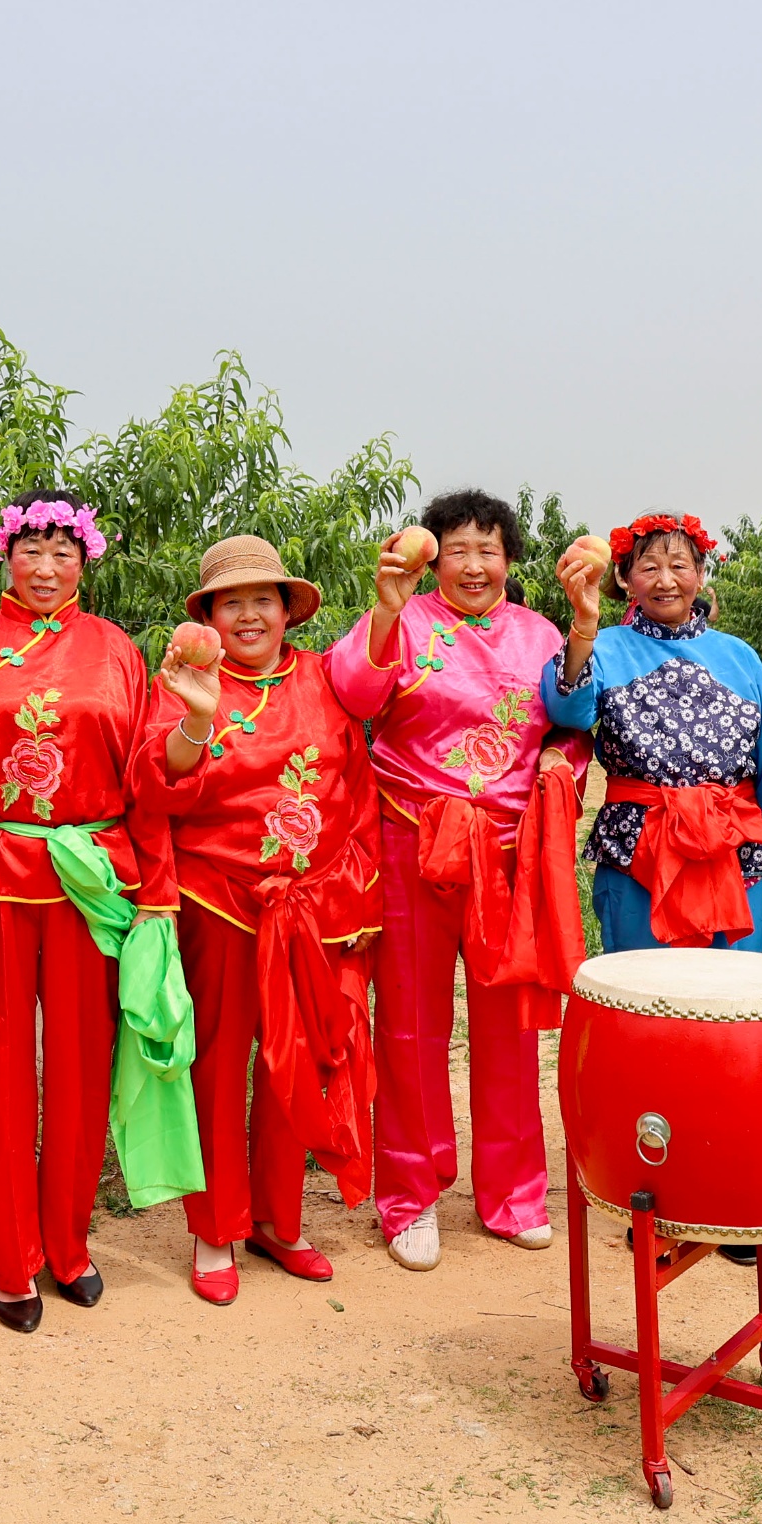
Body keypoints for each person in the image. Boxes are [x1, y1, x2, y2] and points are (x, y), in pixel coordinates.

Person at [0, 497, 182, 1328]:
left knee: (81, 1069)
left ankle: (68, 1244)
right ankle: (10, 1260)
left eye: (61, 552)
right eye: (30, 549)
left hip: (91, 879)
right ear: (6, 555)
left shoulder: (117, 650)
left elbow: (148, 776)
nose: (45, 567)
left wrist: (154, 885)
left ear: (86, 562)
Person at [325, 490, 580, 1271]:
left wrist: (560, 758)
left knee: (508, 1025)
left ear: (509, 558)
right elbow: (351, 694)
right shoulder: (401, 619)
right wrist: (382, 608)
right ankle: (409, 1197)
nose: (474, 563)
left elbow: (573, 718)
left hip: (504, 851)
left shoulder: (539, 632)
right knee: (409, 1026)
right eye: (458, 548)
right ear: (433, 554)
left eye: (489, 548)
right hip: (410, 839)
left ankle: (512, 1194)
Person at [142, 535, 386, 1303]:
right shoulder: (184, 679)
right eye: (230, 602)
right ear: (209, 616)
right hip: (221, 896)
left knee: (299, 1060)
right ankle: (215, 1226)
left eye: (262, 599)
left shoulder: (323, 679)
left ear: (287, 610)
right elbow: (159, 786)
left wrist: (350, 893)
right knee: (217, 1065)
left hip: (310, 900)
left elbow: (354, 789)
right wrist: (195, 717)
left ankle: (278, 1222)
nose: (249, 615)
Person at [541, 513, 762, 952]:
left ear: (701, 574)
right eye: (649, 567)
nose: (665, 580)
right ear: (625, 577)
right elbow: (567, 711)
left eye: (679, 566)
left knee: (731, 1003)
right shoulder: (603, 646)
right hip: (639, 854)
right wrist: (584, 625)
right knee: (643, 1000)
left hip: (734, 854)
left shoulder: (740, 657)